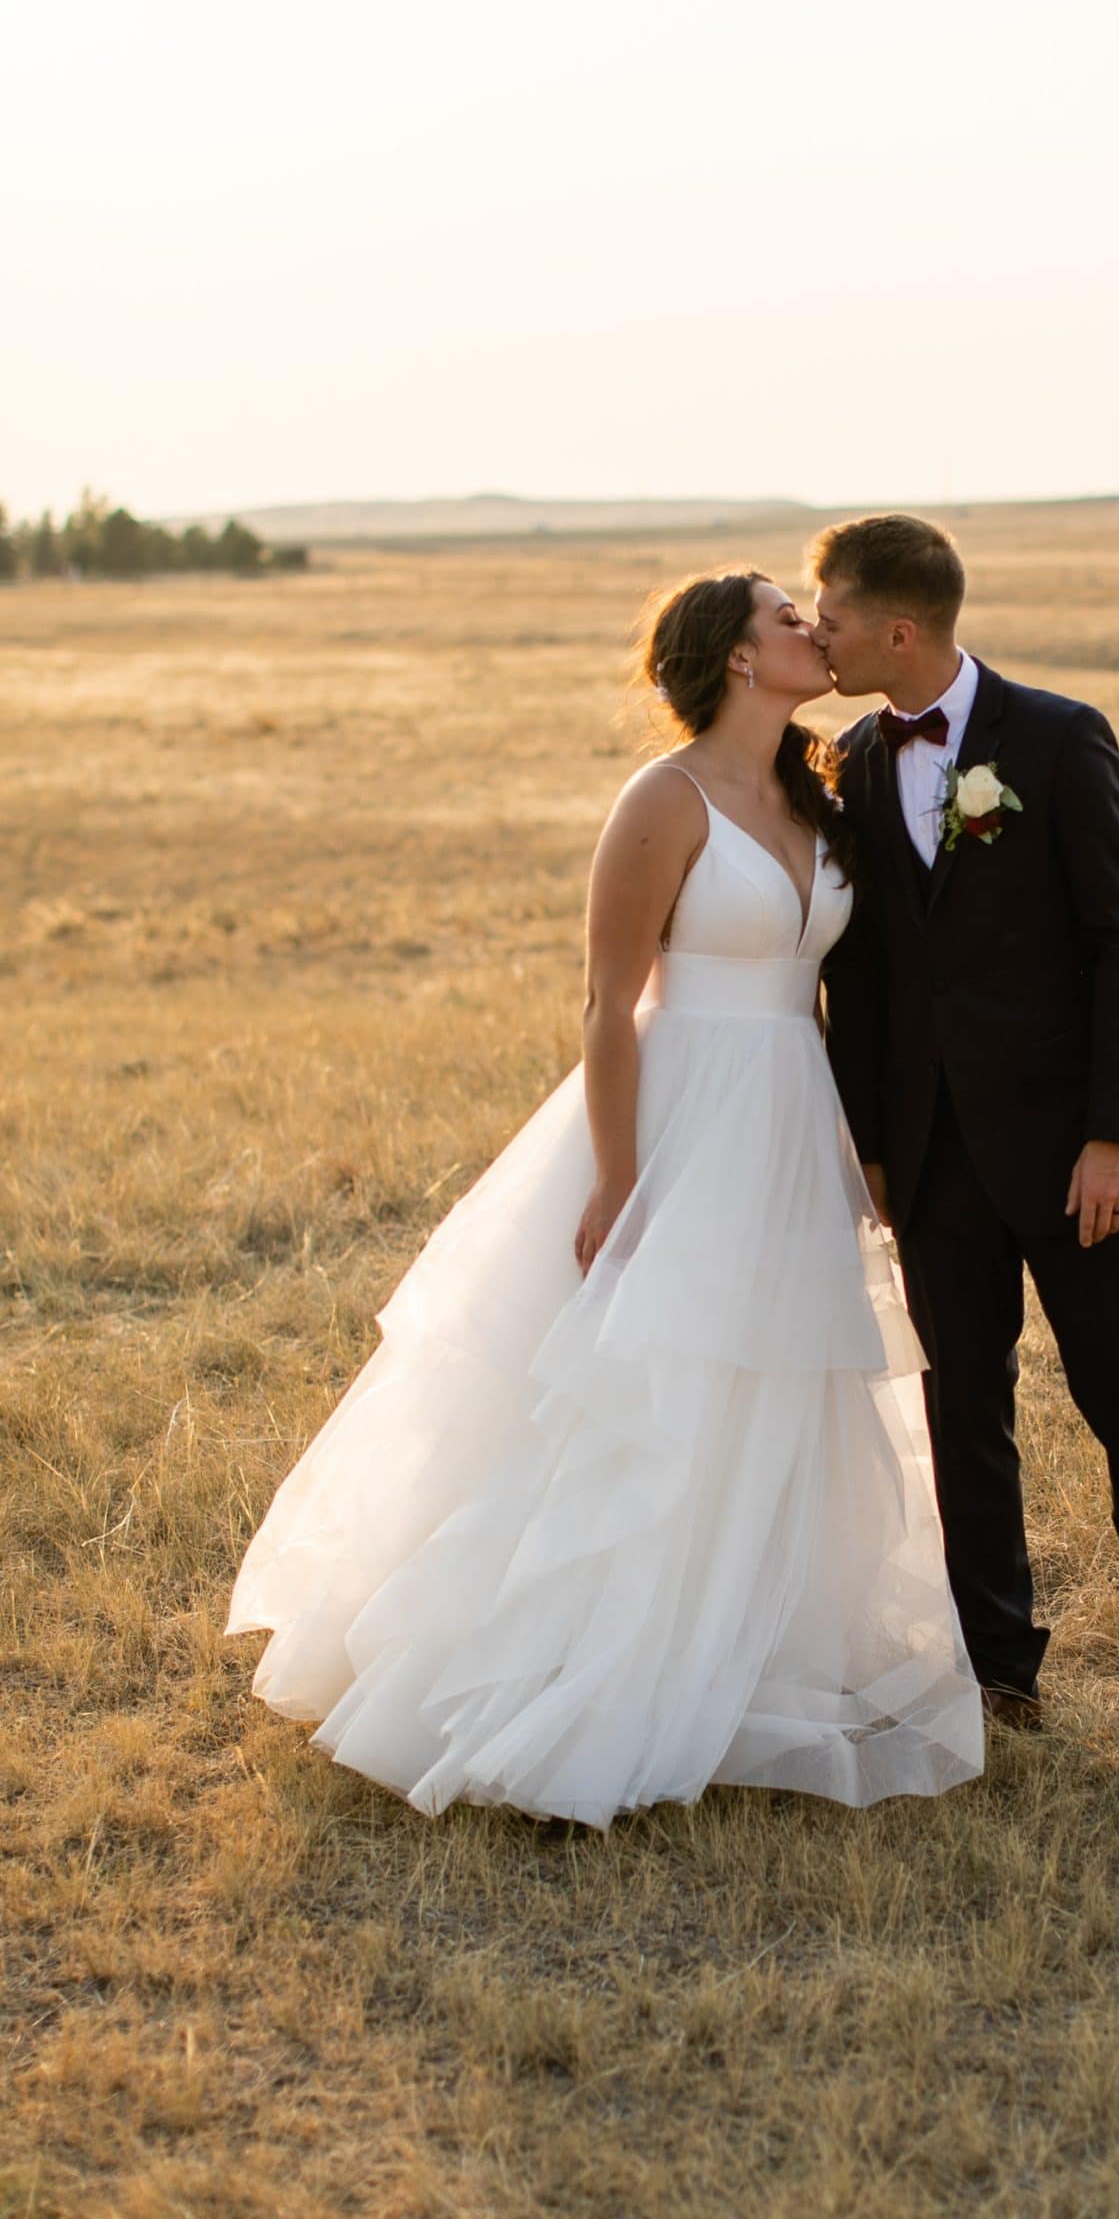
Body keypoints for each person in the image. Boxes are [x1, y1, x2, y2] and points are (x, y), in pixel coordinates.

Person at [226, 570, 983, 1826]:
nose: (812, 626)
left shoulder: (817, 788)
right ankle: (590, 1665)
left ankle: (743, 1648)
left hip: (792, 1120)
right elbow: (607, 1004)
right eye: (787, 617)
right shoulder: (664, 798)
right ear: (737, 660)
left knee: (772, 1385)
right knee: (649, 1392)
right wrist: (624, 1176)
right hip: (684, 1117)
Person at [810, 514, 1119, 1782]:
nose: (817, 633)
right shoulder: (846, 761)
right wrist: (877, 1157)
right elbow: (861, 980)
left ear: (898, 628)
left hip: (1080, 1162)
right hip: (935, 1163)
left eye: (831, 616)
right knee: (965, 1418)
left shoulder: (1061, 740)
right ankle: (998, 1675)